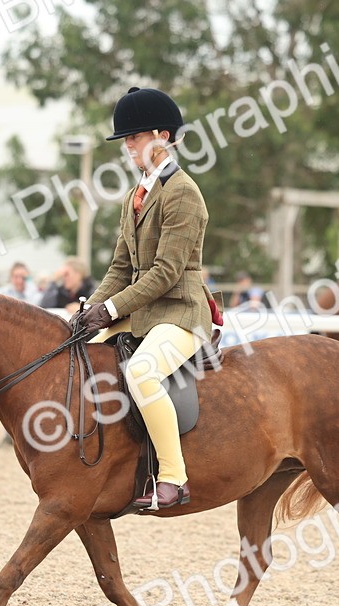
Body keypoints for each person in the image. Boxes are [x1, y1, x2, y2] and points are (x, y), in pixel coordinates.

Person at [74, 86, 218, 510]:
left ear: (162, 136)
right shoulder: (134, 196)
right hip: (143, 312)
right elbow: (121, 268)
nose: (128, 146)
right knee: (77, 355)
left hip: (181, 312)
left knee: (142, 373)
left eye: (134, 137)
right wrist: (89, 310)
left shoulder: (183, 193)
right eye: (127, 139)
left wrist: (111, 309)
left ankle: (173, 476)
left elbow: (166, 272)